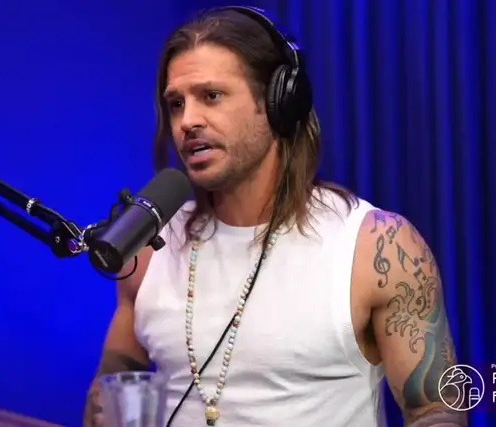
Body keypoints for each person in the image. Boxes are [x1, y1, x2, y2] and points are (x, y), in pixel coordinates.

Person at [83, 6, 467, 427]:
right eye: (176, 103)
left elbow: (436, 409)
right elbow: (109, 396)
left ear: (277, 103)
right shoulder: (150, 249)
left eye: (211, 96)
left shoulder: (376, 248)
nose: (187, 121)